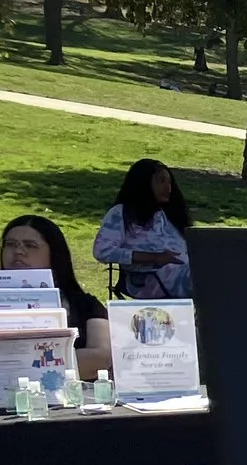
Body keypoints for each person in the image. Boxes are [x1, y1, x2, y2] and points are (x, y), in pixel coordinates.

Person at [5, 214, 109, 379]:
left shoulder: (86, 305)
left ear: (54, 253)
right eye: (10, 244)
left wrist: (16, 366)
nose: (18, 251)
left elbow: (100, 358)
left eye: (30, 245)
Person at [92, 158, 192, 299]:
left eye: (170, 183)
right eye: (161, 181)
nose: (168, 188)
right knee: (210, 279)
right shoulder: (122, 213)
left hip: (184, 275)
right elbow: (102, 251)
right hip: (150, 280)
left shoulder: (169, 215)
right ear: (144, 184)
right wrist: (154, 258)